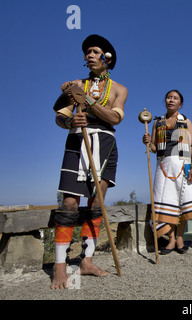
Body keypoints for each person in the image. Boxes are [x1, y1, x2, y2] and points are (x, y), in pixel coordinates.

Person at [51, 34, 128, 289]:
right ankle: (60, 266)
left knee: (97, 203)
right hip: (77, 141)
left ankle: (87, 261)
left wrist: (88, 100)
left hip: (105, 142)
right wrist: (71, 120)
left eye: (95, 51)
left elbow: (115, 118)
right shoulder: (75, 84)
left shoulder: (119, 89)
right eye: (88, 53)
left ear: (108, 58)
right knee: (70, 202)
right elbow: (59, 116)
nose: (90, 55)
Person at [142, 90, 192, 255]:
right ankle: (171, 238)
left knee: (182, 202)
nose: (171, 100)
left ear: (180, 104)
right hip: (163, 165)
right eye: (169, 97)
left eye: (175, 98)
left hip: (183, 164)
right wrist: (147, 143)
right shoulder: (157, 122)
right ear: (165, 101)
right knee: (166, 201)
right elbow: (154, 148)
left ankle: (181, 237)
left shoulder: (186, 121)